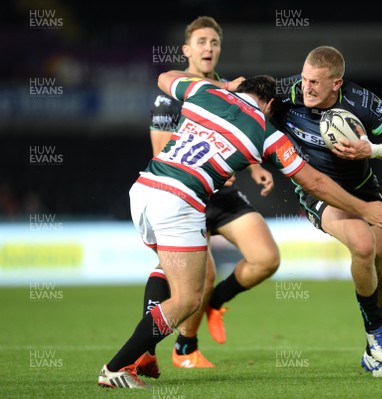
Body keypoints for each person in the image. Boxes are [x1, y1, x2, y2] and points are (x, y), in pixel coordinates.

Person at [97, 73, 382, 389]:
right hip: (179, 201)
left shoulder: (204, 92)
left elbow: (163, 78)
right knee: (188, 299)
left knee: (169, 270)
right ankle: (117, 367)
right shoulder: (266, 132)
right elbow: (315, 182)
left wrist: (223, 87)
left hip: (144, 189)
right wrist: (364, 208)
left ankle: (145, 352)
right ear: (269, 104)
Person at [135, 16, 279, 375]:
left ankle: (216, 304)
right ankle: (174, 349)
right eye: (201, 42)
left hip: (222, 194)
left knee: (266, 258)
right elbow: (162, 153)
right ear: (187, 50)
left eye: (214, 42)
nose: (208, 48)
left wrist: (254, 168)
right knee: (198, 277)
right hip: (185, 195)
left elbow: (237, 136)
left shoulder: (231, 90)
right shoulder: (173, 95)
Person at [273, 46, 382, 378]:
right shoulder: (284, 93)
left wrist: (373, 148)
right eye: (304, 79)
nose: (307, 87)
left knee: (379, 262)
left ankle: (373, 353)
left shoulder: (361, 102)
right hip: (318, 192)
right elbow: (244, 105)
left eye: (315, 82)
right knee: (363, 245)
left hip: (363, 188)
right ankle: (376, 336)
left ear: (336, 83)